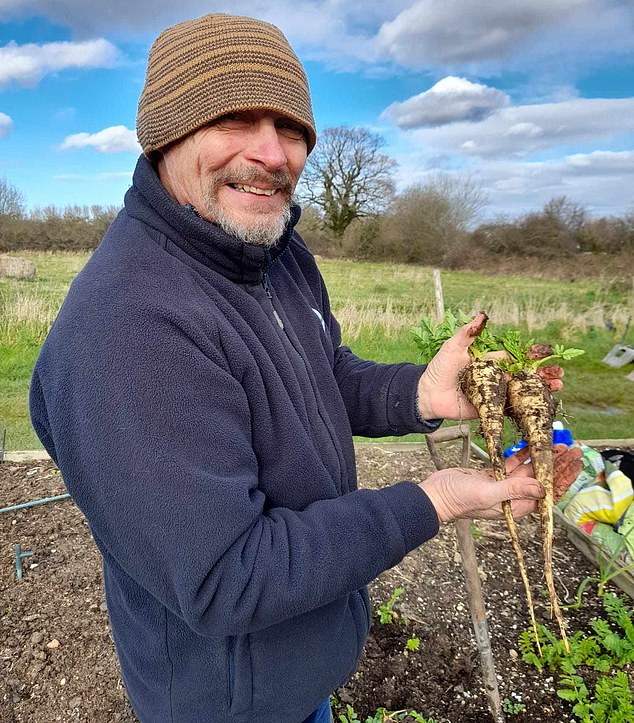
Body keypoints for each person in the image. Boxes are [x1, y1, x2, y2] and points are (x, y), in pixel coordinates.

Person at [29, 13, 581, 723]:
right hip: (228, 703)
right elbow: (231, 577)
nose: (272, 152)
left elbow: (322, 374)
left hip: (298, 665)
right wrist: (435, 499)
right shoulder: (127, 329)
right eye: (234, 118)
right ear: (167, 132)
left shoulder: (273, 253)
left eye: (291, 128)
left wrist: (422, 390)